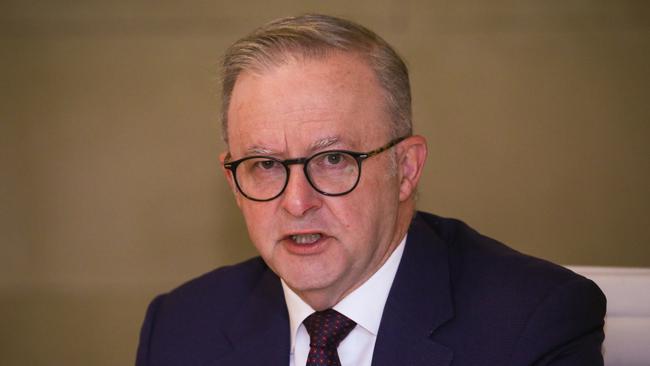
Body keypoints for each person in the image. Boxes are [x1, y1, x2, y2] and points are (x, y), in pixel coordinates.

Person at [136, 14, 605, 366]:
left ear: (406, 169)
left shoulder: (533, 324)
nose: (297, 203)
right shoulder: (179, 328)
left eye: (334, 159)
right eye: (264, 165)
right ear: (233, 183)